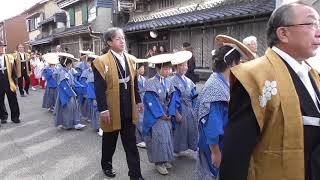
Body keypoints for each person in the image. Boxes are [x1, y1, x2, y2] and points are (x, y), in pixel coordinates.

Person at [219, 3, 320, 180]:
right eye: (311, 24)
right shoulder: (253, 76)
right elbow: (236, 153)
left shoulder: (313, 74)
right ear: (283, 33)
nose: (318, 32)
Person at [195, 35, 254, 180]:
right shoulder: (216, 87)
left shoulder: (221, 80)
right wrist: (215, 152)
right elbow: (212, 125)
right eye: (239, 62)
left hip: (220, 142)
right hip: (215, 145)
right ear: (232, 63)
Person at [92, 27, 144, 180]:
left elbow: (134, 83)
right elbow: (99, 89)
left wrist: (138, 100)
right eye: (118, 39)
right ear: (109, 42)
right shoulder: (100, 62)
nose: (122, 41)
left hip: (128, 108)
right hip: (111, 109)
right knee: (110, 142)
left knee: (131, 144)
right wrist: (103, 109)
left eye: (123, 38)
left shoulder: (131, 59)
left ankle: (136, 174)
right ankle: (106, 165)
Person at [142, 53, 175, 175]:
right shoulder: (150, 82)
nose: (168, 71)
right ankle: (158, 163)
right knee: (159, 139)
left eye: (169, 68)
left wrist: (171, 112)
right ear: (158, 69)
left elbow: (173, 97)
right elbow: (151, 100)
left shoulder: (168, 82)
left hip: (166, 115)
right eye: (165, 68)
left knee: (167, 137)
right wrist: (161, 115)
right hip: (156, 116)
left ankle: (165, 159)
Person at [168, 51, 198, 156]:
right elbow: (173, 98)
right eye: (181, 65)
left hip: (190, 109)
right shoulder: (173, 81)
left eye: (185, 65)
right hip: (180, 108)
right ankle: (177, 149)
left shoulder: (189, 81)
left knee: (192, 129)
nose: (184, 67)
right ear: (176, 67)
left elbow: (194, 96)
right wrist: (176, 113)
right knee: (180, 130)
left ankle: (194, 148)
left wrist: (196, 109)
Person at [53, 55, 86, 130]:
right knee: (68, 108)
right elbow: (64, 84)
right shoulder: (63, 73)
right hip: (65, 93)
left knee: (72, 107)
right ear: (67, 64)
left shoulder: (68, 71)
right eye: (71, 64)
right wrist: (71, 92)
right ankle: (67, 124)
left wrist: (81, 86)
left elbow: (73, 81)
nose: (72, 65)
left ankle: (75, 123)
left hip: (69, 91)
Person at [81, 54, 103, 136]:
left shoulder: (95, 72)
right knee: (97, 111)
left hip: (95, 94)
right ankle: (99, 127)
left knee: (97, 111)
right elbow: (87, 85)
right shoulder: (90, 73)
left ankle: (98, 126)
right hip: (94, 95)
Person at [0, 41, 21, 125]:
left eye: (2, 46)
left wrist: (15, 82)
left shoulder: (10, 57)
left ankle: (15, 117)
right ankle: (3, 117)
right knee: (0, 102)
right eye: (0, 47)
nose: (2, 48)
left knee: (13, 100)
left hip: (9, 82)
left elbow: (14, 71)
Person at [134, 58, 147, 148]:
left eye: (143, 68)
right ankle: (138, 140)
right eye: (141, 68)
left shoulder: (143, 79)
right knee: (138, 119)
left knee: (143, 119)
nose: (143, 69)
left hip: (143, 100)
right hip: (136, 100)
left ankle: (143, 138)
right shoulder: (134, 79)